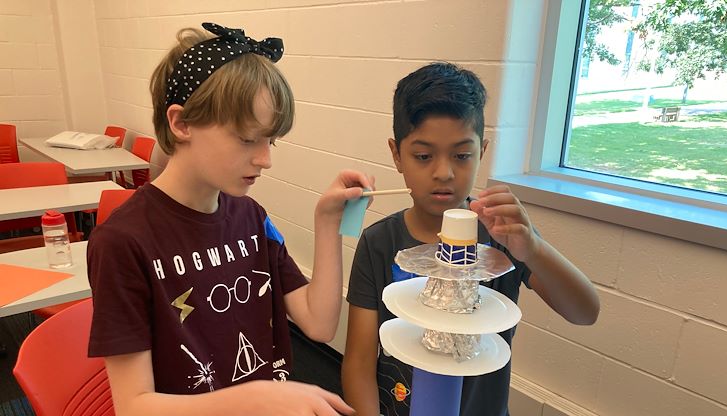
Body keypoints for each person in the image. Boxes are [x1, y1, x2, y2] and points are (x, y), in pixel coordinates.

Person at [87, 23, 372, 416]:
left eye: (269, 140)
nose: (265, 159)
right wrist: (254, 398)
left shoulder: (250, 216)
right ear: (181, 123)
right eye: (246, 139)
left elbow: (319, 325)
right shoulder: (123, 241)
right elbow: (133, 406)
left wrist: (326, 223)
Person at [341, 62, 600, 416]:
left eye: (462, 155)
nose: (444, 172)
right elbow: (358, 362)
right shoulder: (379, 242)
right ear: (396, 155)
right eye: (423, 156)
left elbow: (585, 311)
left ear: (482, 151)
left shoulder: (504, 234)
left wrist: (534, 250)